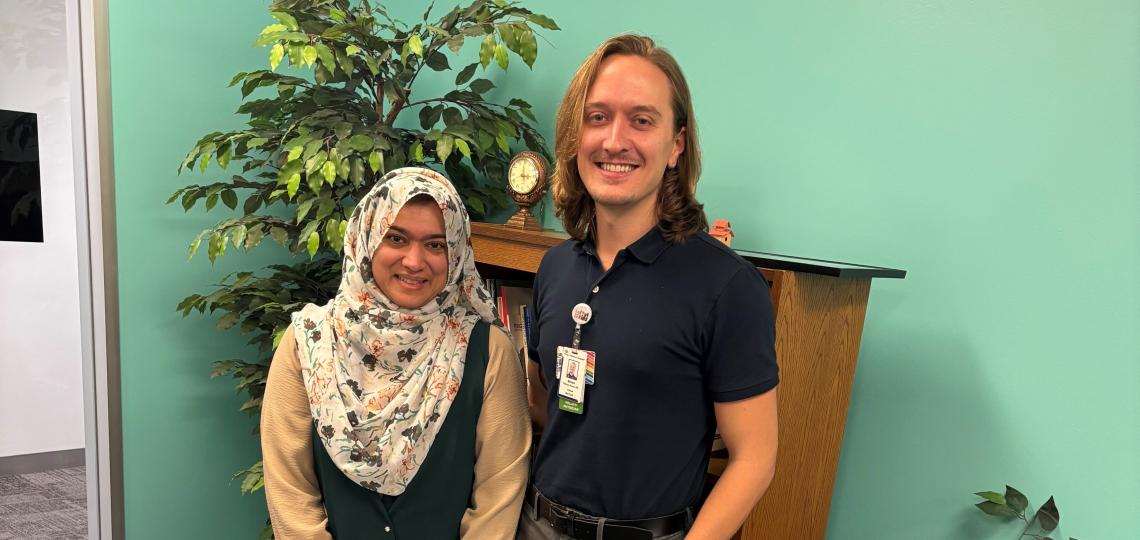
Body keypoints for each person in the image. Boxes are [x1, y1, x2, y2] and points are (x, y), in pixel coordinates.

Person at [519, 35, 780, 540]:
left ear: (676, 145)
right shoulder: (554, 268)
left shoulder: (727, 286)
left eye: (642, 120)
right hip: (535, 525)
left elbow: (755, 458)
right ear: (576, 137)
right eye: (597, 117)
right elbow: (544, 403)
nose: (615, 140)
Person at [261, 167, 531, 539]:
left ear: (456, 254)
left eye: (436, 244)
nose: (415, 262)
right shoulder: (307, 343)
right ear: (367, 240)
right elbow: (291, 492)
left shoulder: (487, 351)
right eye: (397, 238)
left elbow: (499, 493)